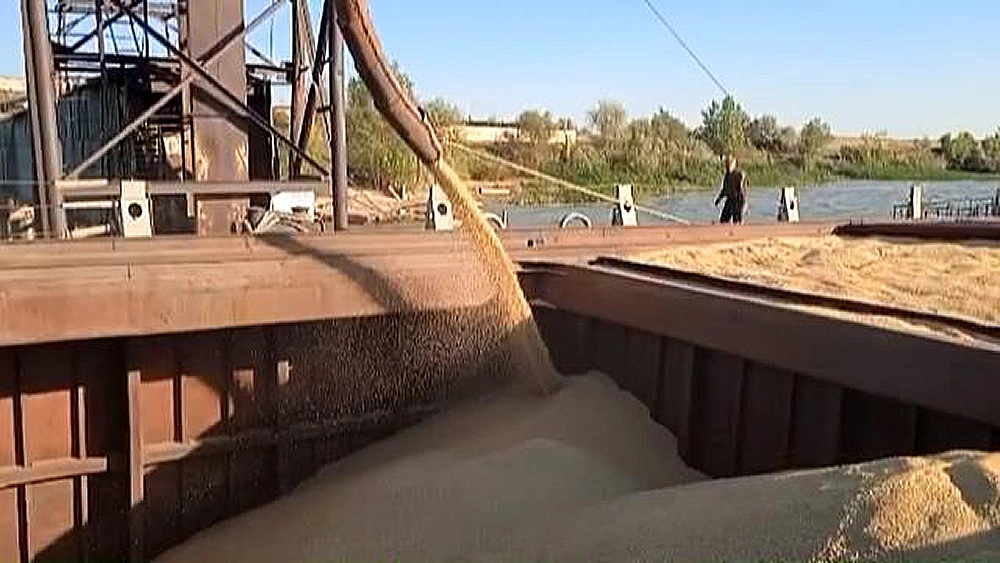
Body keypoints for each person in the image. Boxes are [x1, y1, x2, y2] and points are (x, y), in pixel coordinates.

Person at [714, 156, 747, 224]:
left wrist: (743, 202)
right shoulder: (727, 176)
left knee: (737, 220)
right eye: (727, 164)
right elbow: (724, 189)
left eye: (730, 164)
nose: (728, 166)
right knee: (723, 220)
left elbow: (742, 189)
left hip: (738, 200)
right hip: (730, 200)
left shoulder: (739, 174)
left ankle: (740, 231)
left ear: (734, 165)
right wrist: (719, 199)